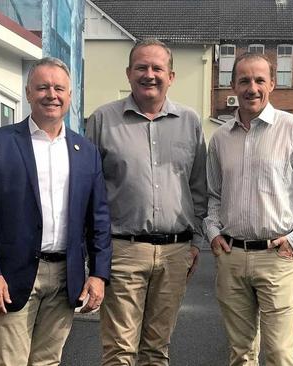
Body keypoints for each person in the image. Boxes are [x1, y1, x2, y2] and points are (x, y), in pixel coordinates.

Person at [0, 57, 112, 365]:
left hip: (65, 275)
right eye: (43, 87)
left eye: (59, 88)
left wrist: (99, 274)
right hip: (11, 275)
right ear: (29, 92)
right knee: (9, 360)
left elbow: (98, 218)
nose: (51, 94)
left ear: (70, 96)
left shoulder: (86, 152)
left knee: (48, 361)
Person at [204, 53, 293, 366]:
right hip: (232, 258)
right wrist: (212, 232)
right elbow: (213, 195)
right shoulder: (221, 139)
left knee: (279, 354)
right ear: (232, 85)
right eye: (244, 80)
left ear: (272, 84)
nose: (252, 88)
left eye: (259, 80)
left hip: (277, 258)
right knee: (240, 354)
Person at [86, 39, 207, 366]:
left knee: (156, 350)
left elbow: (199, 187)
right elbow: (88, 192)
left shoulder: (190, 122)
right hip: (122, 249)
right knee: (119, 351)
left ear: (172, 76)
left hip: (175, 251)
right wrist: (93, 251)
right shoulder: (102, 121)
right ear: (128, 73)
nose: (149, 74)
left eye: (157, 68)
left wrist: (196, 243)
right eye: (141, 67)